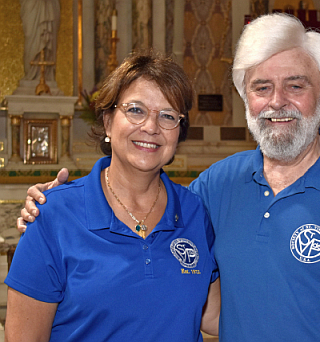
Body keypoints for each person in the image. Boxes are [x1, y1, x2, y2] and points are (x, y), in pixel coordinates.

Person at [18, 13, 320, 342]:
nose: (277, 102)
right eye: (261, 87)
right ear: (245, 101)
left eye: (296, 85)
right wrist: (51, 207)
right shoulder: (214, 187)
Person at [8, 50, 220, 342]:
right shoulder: (54, 215)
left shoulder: (194, 210)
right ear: (108, 121)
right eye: (135, 110)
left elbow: (214, 316)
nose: (150, 127)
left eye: (168, 116)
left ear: (178, 133)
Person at [20, 0, 60, 81]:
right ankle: (31, 73)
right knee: (31, 38)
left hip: (49, 4)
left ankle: (46, 75)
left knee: (48, 39)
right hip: (32, 6)